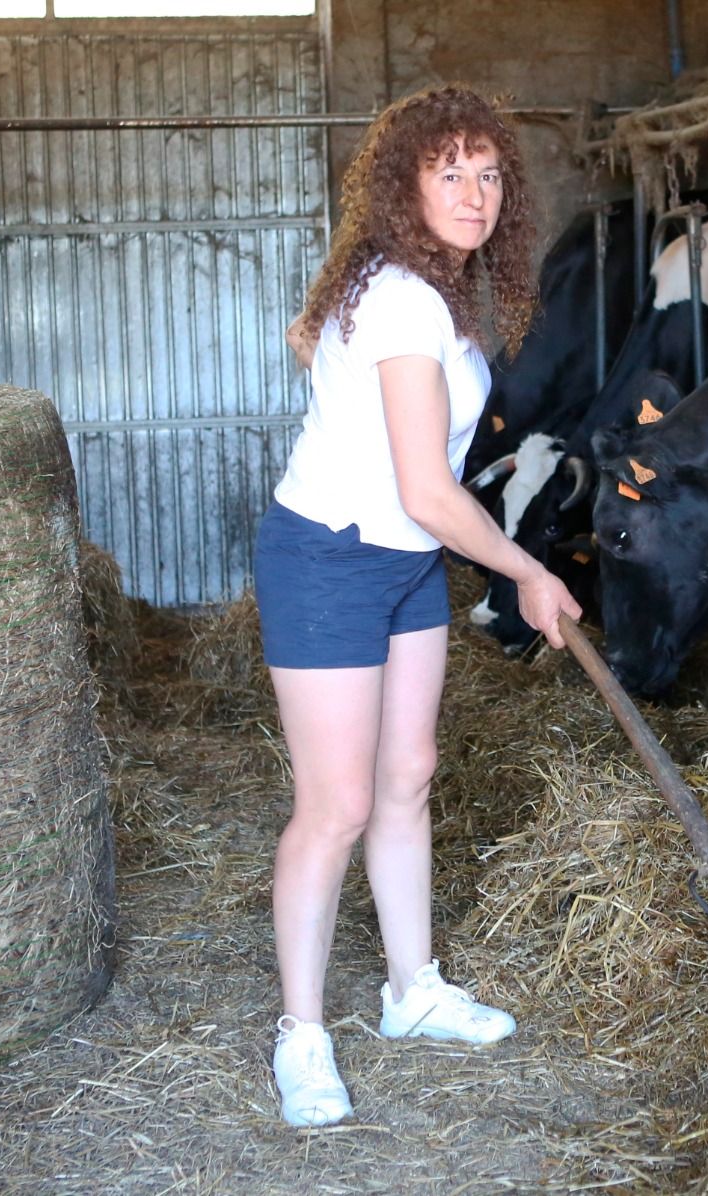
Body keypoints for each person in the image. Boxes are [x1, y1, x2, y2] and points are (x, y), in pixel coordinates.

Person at [253, 83, 581, 1128]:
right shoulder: (401, 297)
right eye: (450, 172)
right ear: (406, 183)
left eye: (489, 175)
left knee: (409, 775)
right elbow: (428, 491)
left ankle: (410, 988)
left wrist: (331, 374)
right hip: (333, 558)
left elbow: (316, 343)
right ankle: (300, 1033)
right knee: (336, 803)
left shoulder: (415, 290)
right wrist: (525, 570)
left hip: (400, 563)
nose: (475, 193)